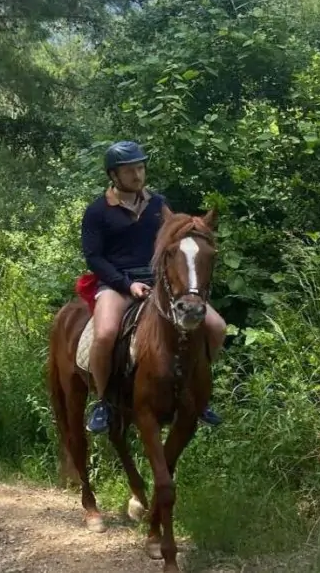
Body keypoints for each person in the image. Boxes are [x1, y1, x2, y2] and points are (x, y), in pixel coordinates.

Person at [82, 140, 226, 434]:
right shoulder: (97, 212)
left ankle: (201, 394)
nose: (137, 175)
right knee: (106, 333)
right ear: (114, 175)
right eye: (129, 170)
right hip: (116, 284)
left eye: (140, 168)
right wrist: (126, 284)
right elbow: (94, 257)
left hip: (159, 283)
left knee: (217, 326)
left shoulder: (159, 205)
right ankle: (103, 401)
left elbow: (172, 245)